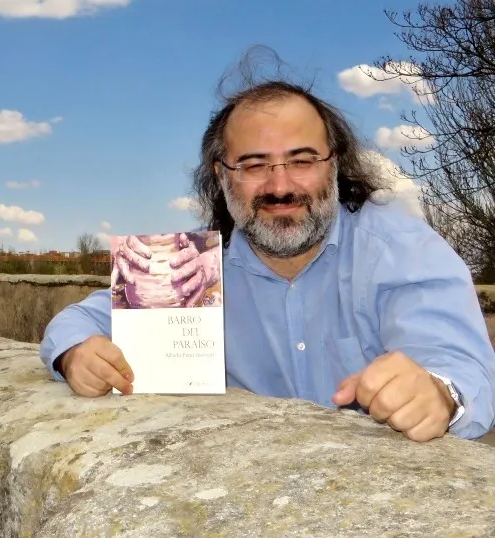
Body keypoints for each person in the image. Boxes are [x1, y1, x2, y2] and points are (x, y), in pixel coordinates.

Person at [39, 79, 495, 442]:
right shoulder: (192, 272)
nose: (280, 186)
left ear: (334, 164)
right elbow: (77, 322)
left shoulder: (403, 248)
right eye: (255, 165)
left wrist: (439, 395)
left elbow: (462, 369)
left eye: (302, 160)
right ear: (222, 177)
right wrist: (75, 355)